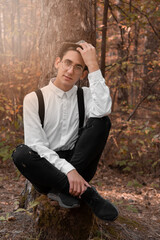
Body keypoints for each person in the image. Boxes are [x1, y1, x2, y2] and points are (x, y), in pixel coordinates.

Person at [12, 41, 118, 221]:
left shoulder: (84, 95)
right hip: (47, 171)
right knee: (21, 154)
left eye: (78, 67)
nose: (70, 71)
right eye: (67, 63)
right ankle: (89, 195)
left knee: (102, 122)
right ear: (57, 63)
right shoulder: (34, 99)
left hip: (80, 165)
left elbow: (104, 109)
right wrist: (69, 171)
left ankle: (64, 191)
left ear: (83, 73)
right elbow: (37, 145)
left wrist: (93, 65)